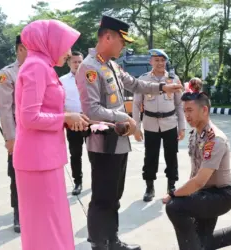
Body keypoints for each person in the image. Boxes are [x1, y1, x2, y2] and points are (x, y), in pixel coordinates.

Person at [76, 15, 182, 250]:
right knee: (103, 195)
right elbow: (91, 109)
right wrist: (126, 117)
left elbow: (135, 84)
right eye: (122, 41)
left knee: (115, 193)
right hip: (103, 142)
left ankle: (112, 239)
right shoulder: (90, 68)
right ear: (108, 37)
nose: (124, 46)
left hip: (119, 140)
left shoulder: (111, 64)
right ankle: (98, 242)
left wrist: (164, 86)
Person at [13, 20, 89, 250]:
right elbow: (29, 117)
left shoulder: (42, 66)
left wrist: (67, 119)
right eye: (65, 45)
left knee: (53, 221)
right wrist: (65, 118)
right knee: (45, 225)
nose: (67, 52)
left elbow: (45, 112)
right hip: (37, 160)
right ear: (49, 42)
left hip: (46, 157)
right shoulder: (36, 67)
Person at [163, 90, 231, 250]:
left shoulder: (215, 139)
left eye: (190, 110)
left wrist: (173, 193)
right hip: (204, 194)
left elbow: (201, 180)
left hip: (220, 196)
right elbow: (195, 173)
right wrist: (188, 194)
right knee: (203, 243)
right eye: (184, 110)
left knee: (174, 206)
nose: (186, 115)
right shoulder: (195, 134)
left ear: (204, 110)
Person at [133, 49, 186, 202]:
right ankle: (150, 187)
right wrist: (136, 127)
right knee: (150, 157)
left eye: (162, 60)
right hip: (150, 124)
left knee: (171, 156)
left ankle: (171, 186)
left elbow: (179, 105)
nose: (160, 63)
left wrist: (181, 127)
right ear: (150, 62)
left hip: (169, 123)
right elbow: (136, 105)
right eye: (156, 60)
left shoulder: (173, 79)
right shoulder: (143, 80)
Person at [0, 34, 27, 233]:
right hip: (19, 133)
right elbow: (5, 110)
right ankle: (19, 213)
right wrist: (11, 138)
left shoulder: (42, 69)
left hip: (38, 133)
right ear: (21, 48)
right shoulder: (7, 74)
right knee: (17, 175)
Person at [60, 51, 85, 195]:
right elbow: (59, 102)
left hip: (89, 120)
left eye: (80, 61)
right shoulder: (62, 80)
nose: (77, 64)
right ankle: (78, 182)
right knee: (75, 154)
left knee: (96, 153)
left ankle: (97, 181)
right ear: (69, 63)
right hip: (73, 123)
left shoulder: (90, 77)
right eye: (74, 62)